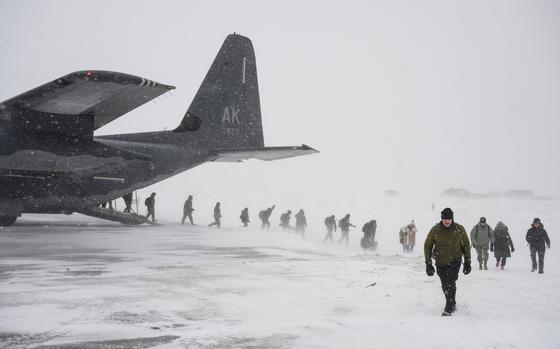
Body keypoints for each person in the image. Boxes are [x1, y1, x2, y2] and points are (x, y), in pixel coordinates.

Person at [424, 207, 471, 316]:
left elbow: (466, 245)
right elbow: (427, 245)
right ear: (442, 219)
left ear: (452, 219)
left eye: (449, 219)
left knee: (450, 282)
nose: (447, 221)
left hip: (455, 260)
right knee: (444, 284)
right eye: (445, 219)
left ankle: (448, 307)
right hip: (440, 262)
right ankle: (452, 301)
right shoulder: (435, 230)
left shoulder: (459, 229)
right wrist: (428, 263)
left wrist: (468, 262)